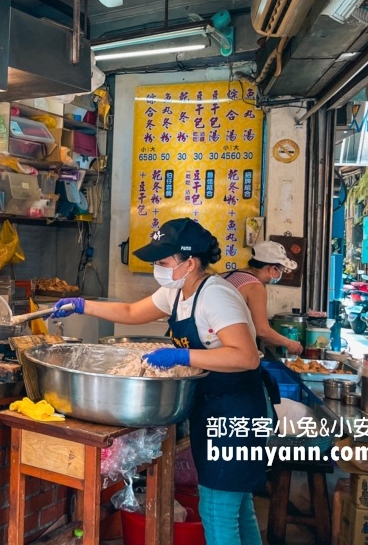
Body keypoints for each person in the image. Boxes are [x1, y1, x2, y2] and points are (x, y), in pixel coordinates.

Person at [51, 218, 270, 544]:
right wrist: (82, 306)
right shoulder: (178, 292)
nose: (158, 268)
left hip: (236, 410)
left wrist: (182, 357)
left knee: (217, 511)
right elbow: (129, 312)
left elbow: (246, 356)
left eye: (163, 261)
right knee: (238, 510)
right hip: (212, 406)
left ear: (190, 262)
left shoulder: (216, 296)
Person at [221, 241, 303, 356]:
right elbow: (262, 331)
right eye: (281, 270)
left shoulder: (228, 274)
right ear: (272, 269)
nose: (281, 274)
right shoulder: (255, 287)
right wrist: (290, 343)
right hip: (229, 349)